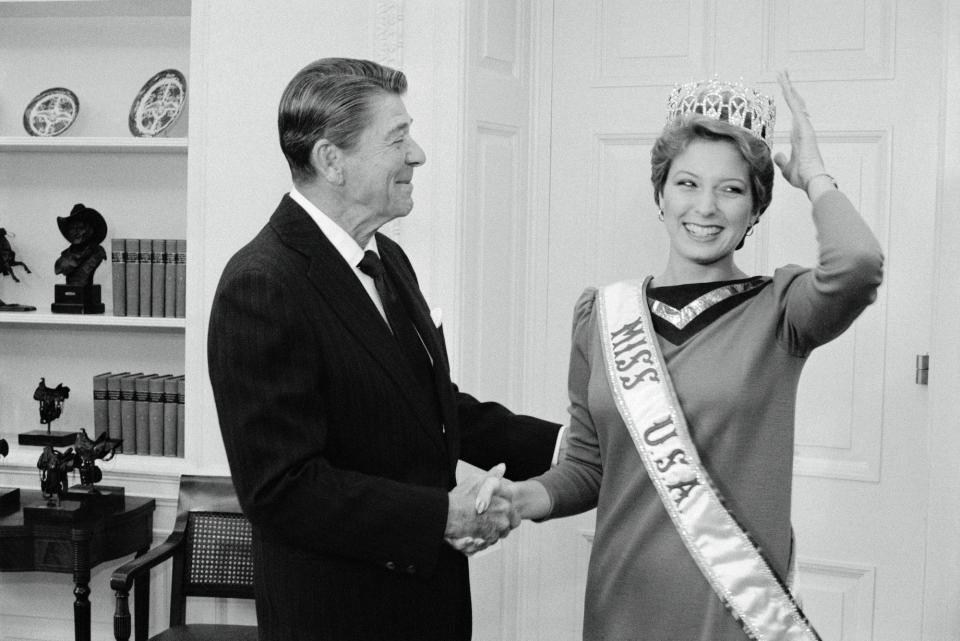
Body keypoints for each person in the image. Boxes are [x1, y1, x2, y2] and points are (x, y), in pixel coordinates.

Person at [475, 72, 883, 640]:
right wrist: (522, 499)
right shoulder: (602, 314)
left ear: (756, 208)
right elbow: (590, 468)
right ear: (660, 194)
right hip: (622, 600)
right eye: (687, 183)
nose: (706, 207)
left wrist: (813, 176)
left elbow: (859, 265)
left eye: (732, 189)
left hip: (732, 609)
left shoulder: (782, 311)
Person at [207, 57, 562, 641]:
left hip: (427, 606)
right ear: (331, 160)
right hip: (338, 617)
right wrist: (440, 516)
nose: (417, 154)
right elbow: (281, 489)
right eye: (398, 138)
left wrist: (567, 446)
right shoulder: (262, 284)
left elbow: (428, 408)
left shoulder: (387, 259)